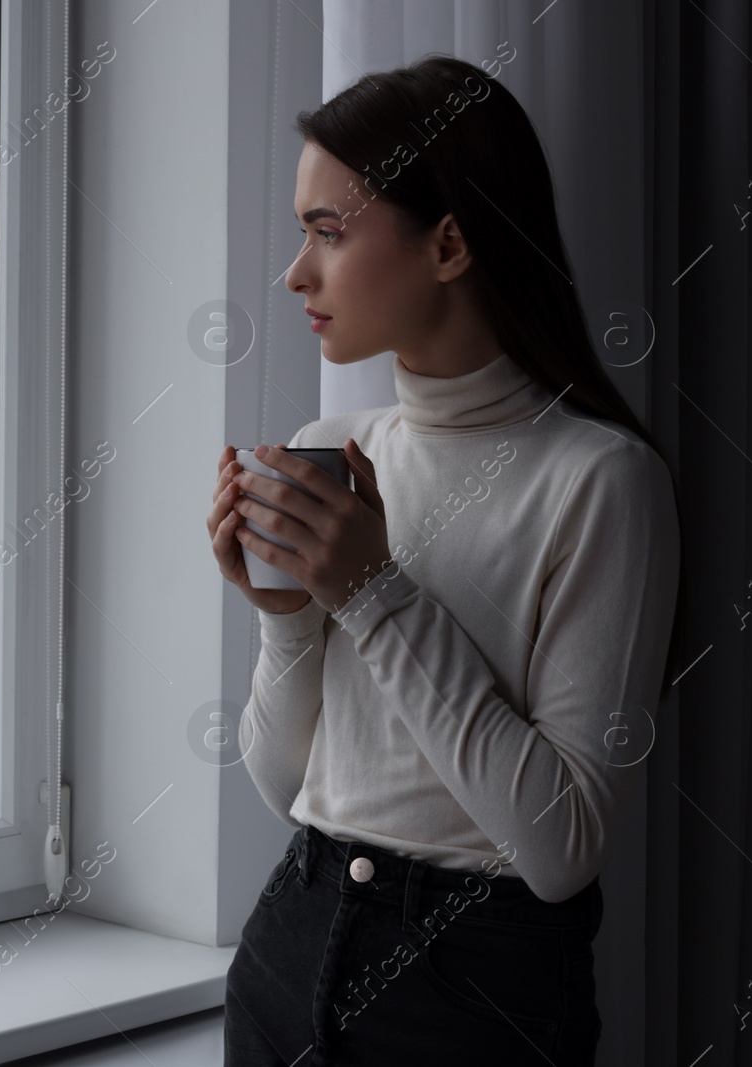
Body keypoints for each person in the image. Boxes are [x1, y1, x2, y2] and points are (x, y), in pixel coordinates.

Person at [205, 54, 682, 1066]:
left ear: (450, 243)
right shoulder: (331, 443)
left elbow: (558, 848)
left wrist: (371, 591)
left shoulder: (603, 480)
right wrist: (286, 616)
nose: (297, 274)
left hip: (478, 990)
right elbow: (285, 784)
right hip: (291, 942)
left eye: (328, 232)